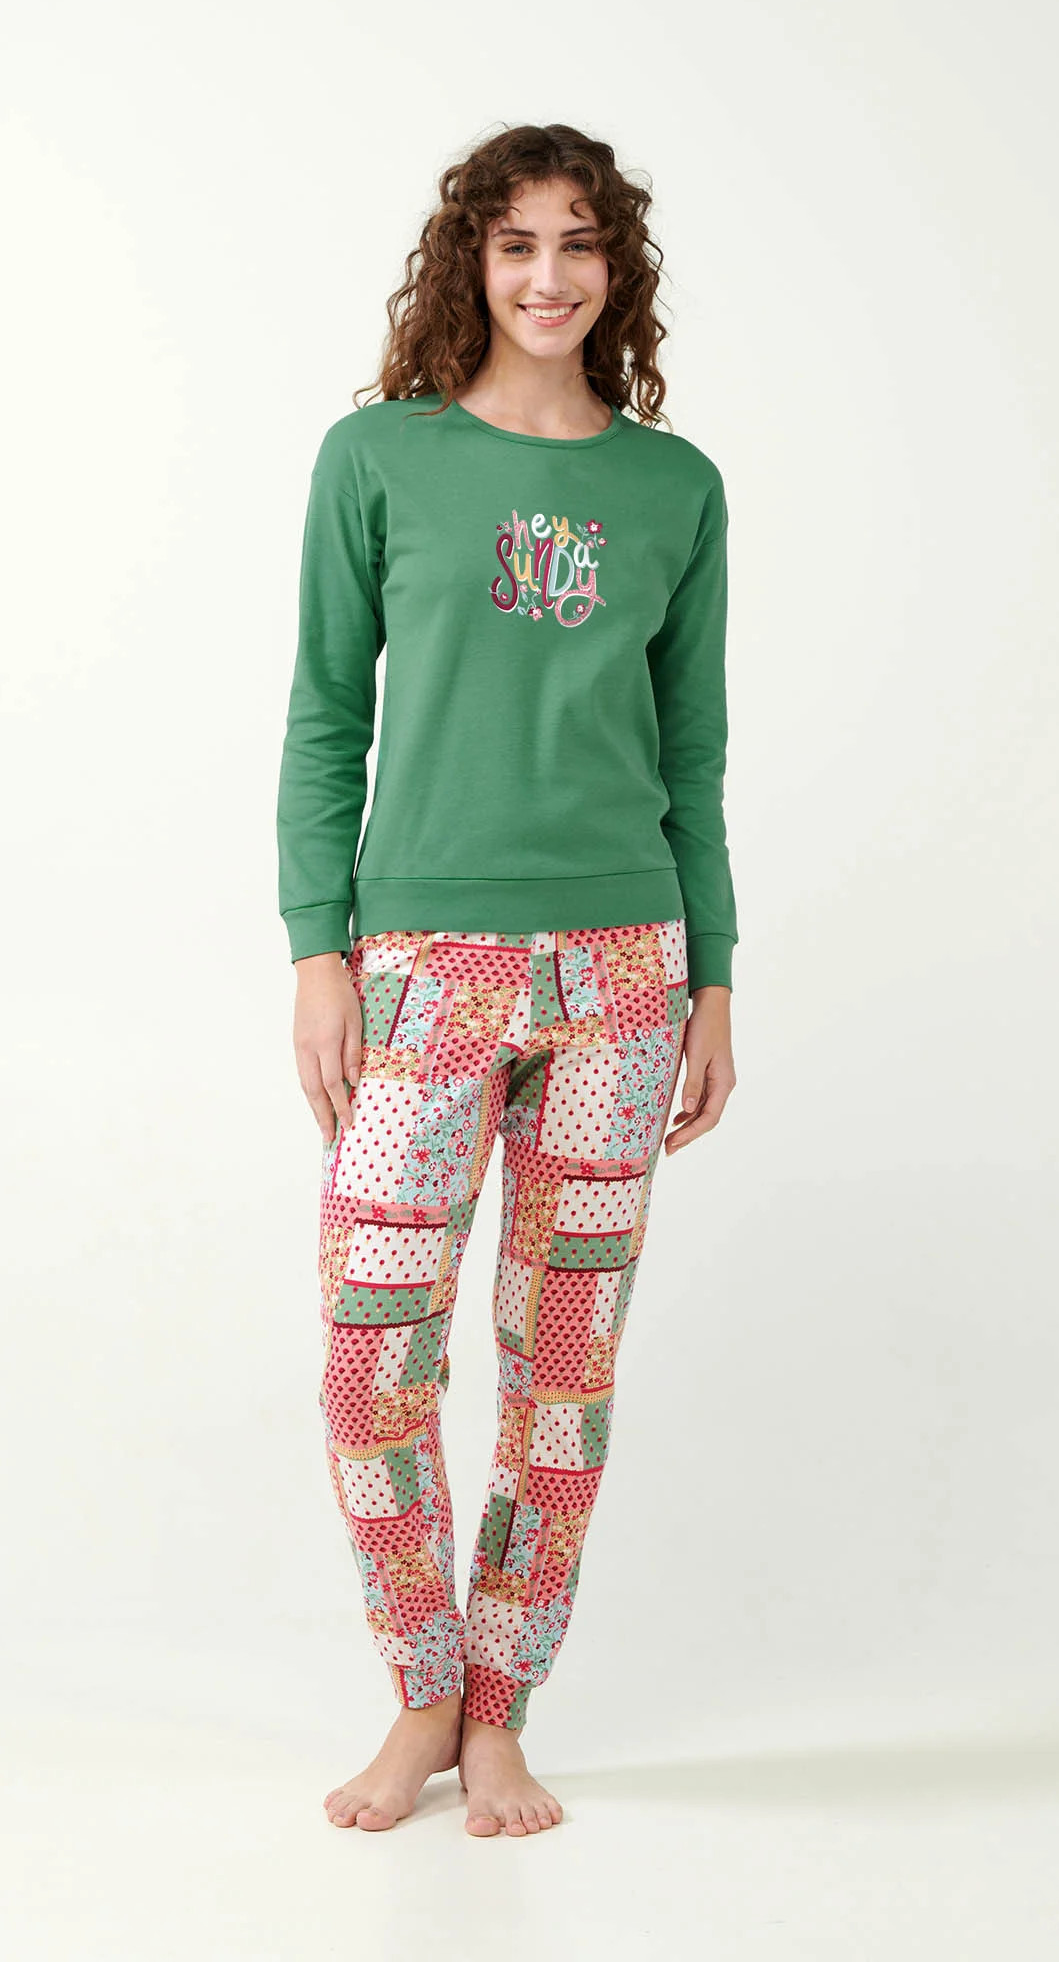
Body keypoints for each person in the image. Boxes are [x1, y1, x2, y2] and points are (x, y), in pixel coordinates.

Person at [275, 122, 739, 1837]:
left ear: (618, 270)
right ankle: (422, 1691)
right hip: (421, 964)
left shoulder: (674, 487)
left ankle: (502, 1717)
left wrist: (713, 979)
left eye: (581, 244)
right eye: (518, 243)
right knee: (370, 1360)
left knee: (561, 1376)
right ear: (469, 262)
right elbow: (327, 718)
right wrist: (318, 951)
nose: (550, 277)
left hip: (624, 967)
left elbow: (690, 753)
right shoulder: (376, 459)